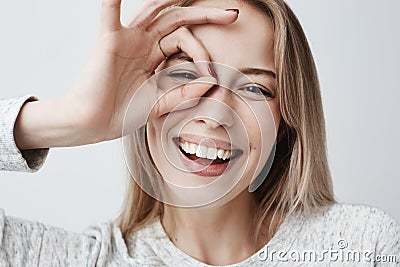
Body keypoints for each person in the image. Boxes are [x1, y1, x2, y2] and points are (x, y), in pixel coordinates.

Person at [0, 0, 399, 266]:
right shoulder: (83, 259)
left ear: (286, 122)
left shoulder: (362, 245)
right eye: (186, 75)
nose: (215, 114)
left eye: (255, 88)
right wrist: (69, 119)